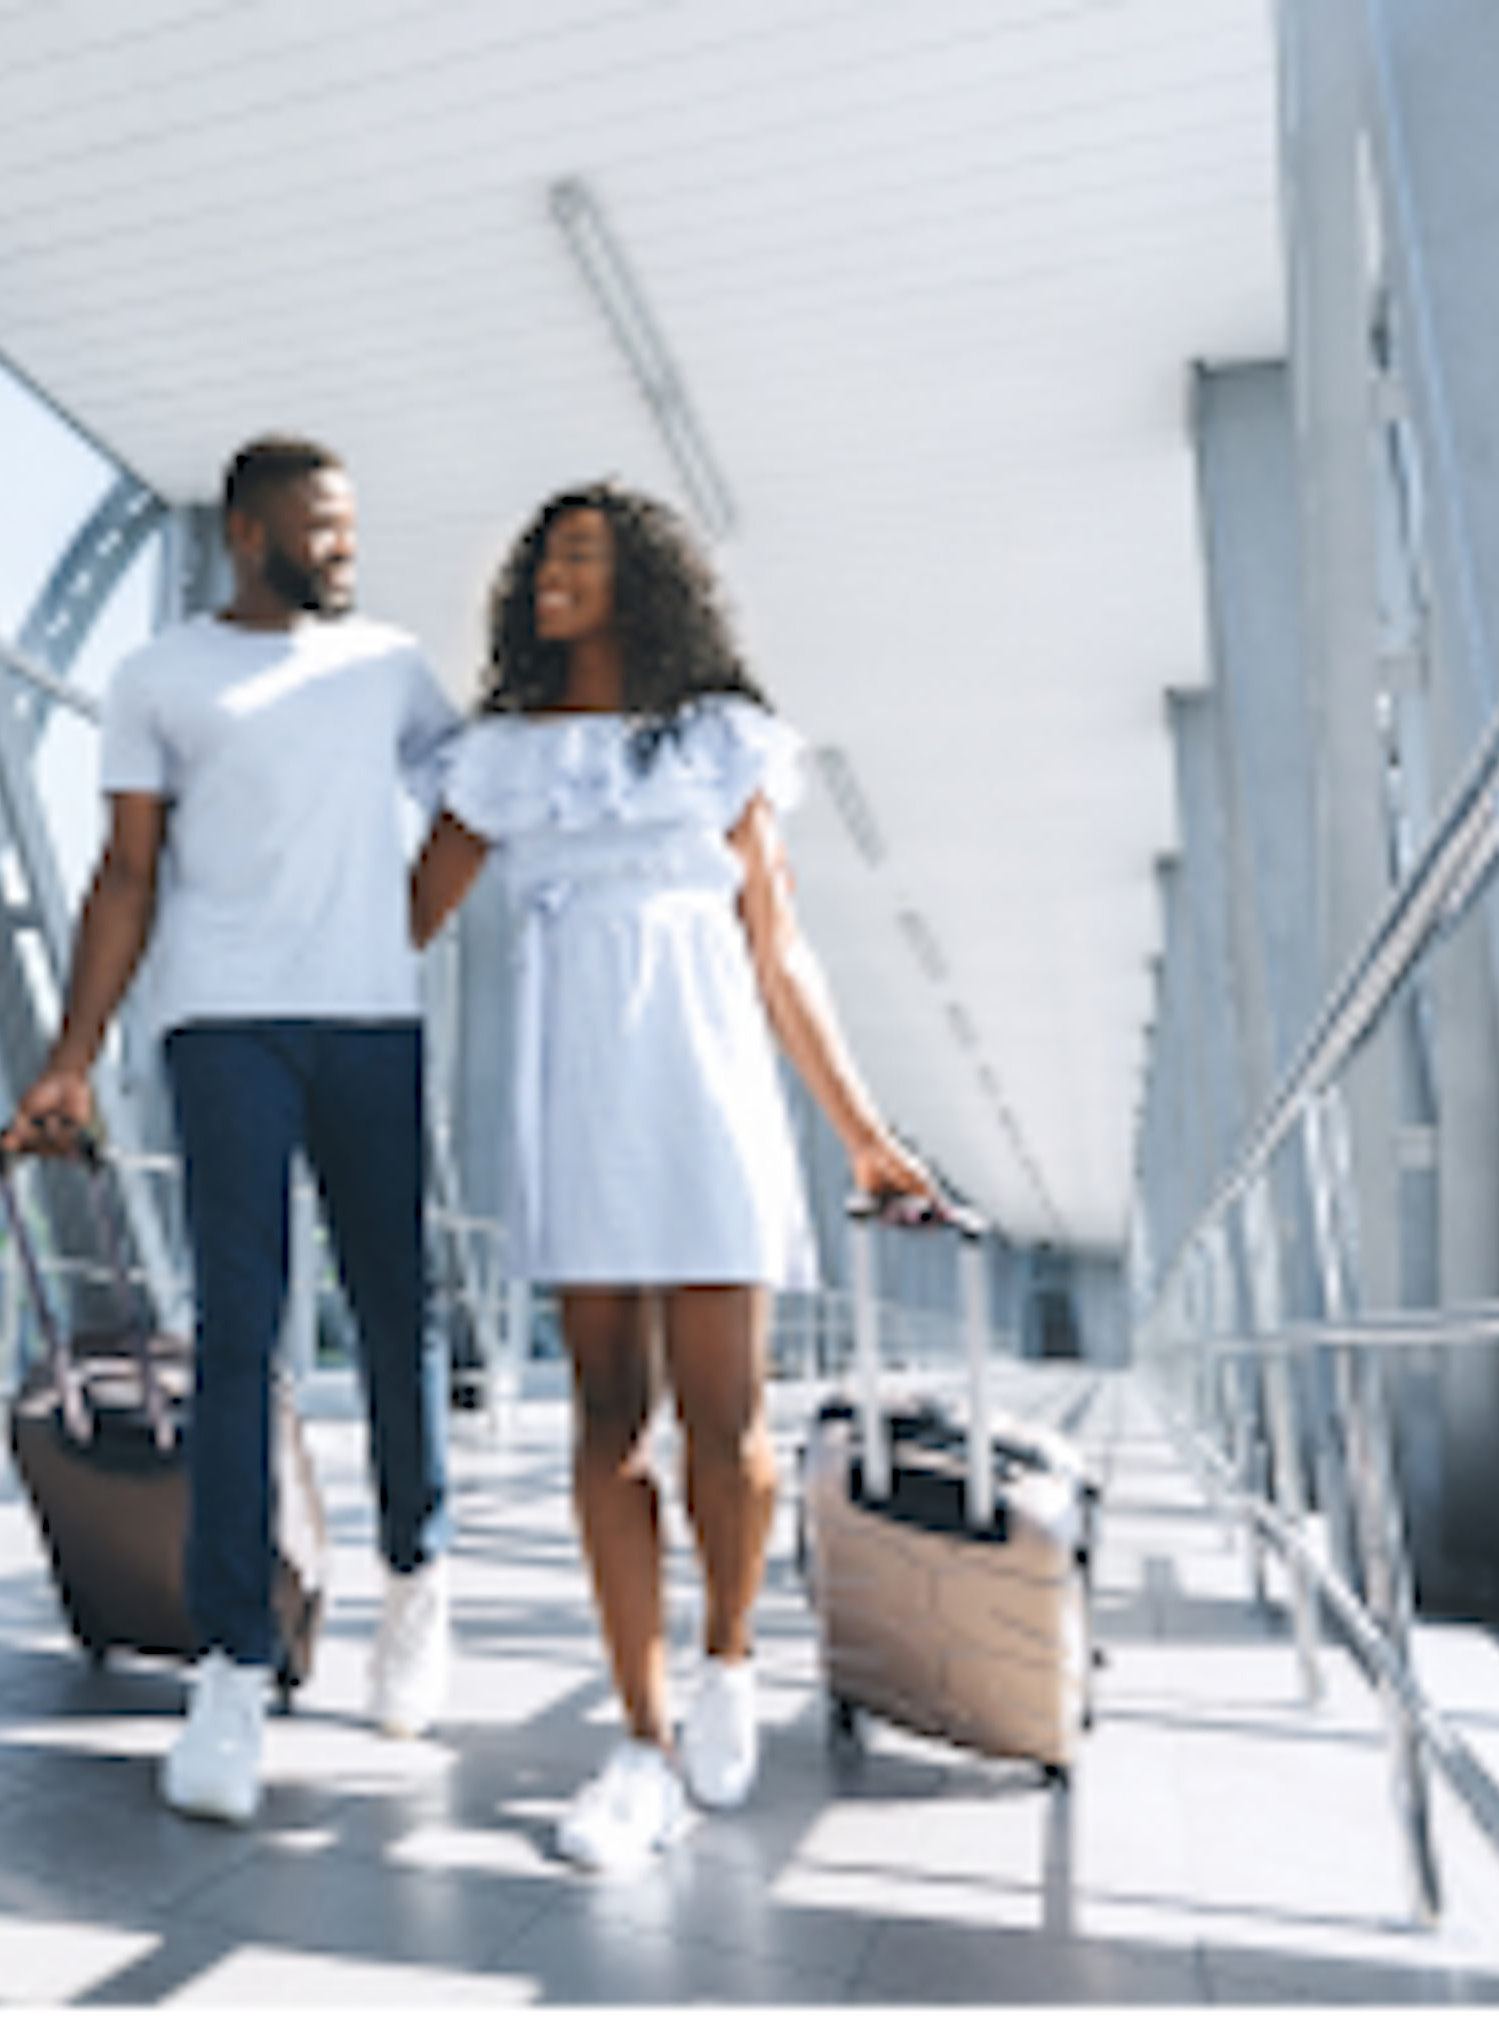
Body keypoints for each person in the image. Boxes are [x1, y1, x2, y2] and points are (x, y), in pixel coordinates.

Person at [412, 482, 934, 1872]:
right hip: (575, 1096)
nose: (548, 580)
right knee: (607, 1416)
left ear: (643, 581)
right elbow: (401, 914)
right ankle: (638, 1740)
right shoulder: (504, 755)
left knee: (729, 1417)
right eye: (540, 560)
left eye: (580, 557)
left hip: (705, 1091)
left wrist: (868, 1133)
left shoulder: (722, 744)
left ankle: (728, 1657)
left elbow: (780, 949)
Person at [0, 434, 463, 1824]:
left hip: (372, 1026)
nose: (345, 545)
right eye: (322, 525)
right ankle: (232, 1664)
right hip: (223, 1027)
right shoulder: (160, 677)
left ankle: (416, 1585)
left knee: (398, 1310)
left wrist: (399, 932)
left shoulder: (389, 663)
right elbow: (127, 874)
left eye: (350, 523)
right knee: (241, 1325)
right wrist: (70, 1059)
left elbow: (477, 799)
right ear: (249, 531)